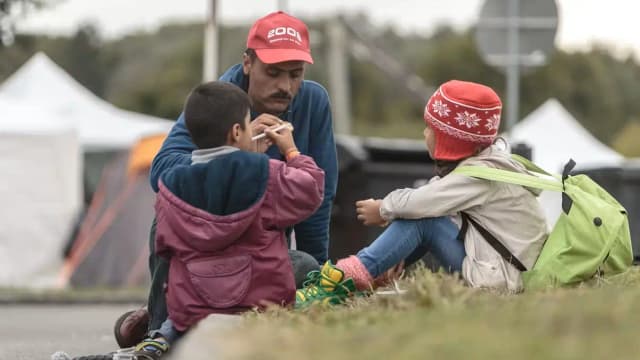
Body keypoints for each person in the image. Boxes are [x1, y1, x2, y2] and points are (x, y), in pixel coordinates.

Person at [114, 11, 338, 348]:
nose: (285, 87)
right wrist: (238, 157)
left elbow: (319, 199)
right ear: (247, 63)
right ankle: (160, 330)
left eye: (296, 75)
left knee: (306, 266)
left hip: (261, 261)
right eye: (273, 72)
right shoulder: (220, 99)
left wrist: (319, 291)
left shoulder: (313, 101)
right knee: (163, 218)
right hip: (201, 261)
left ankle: (179, 314)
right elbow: (163, 172)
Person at [296, 80, 549, 306]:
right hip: (504, 269)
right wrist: (397, 253)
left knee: (423, 220)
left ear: (450, 138)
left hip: (501, 279)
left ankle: (340, 282)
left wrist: (383, 208)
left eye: (430, 128)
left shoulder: (477, 176)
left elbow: (419, 203)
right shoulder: (488, 164)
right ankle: (372, 274)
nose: (424, 133)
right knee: (423, 218)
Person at [129, 81, 324, 358]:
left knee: (183, 286)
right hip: (257, 299)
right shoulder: (266, 173)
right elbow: (311, 190)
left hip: (193, 303)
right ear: (236, 132)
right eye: (248, 123)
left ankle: (161, 334)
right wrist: (292, 152)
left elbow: (164, 248)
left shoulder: (171, 185)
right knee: (305, 264)